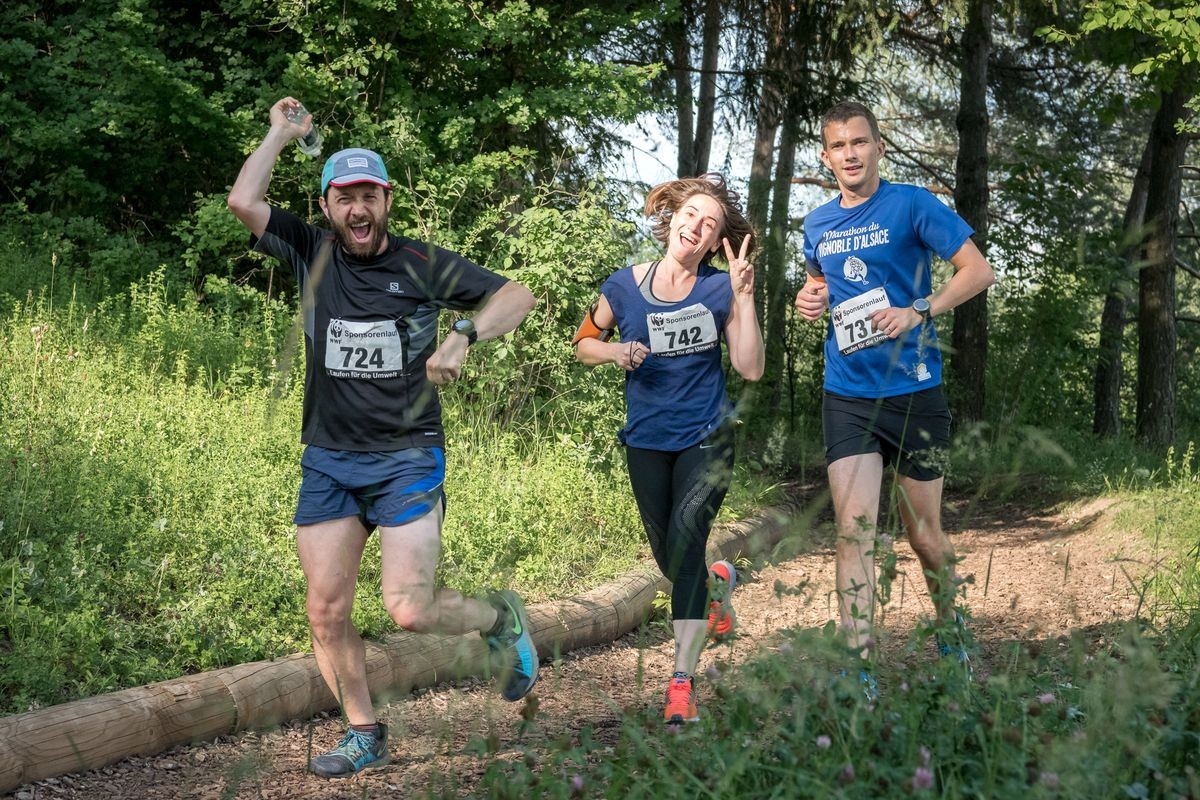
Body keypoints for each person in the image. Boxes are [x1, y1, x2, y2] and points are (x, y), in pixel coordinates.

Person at [227, 98, 540, 778]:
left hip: (406, 458)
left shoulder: (423, 262)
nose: (358, 209)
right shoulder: (309, 249)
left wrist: (464, 334)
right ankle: (365, 731)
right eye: (345, 198)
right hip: (331, 461)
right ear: (329, 205)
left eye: (370, 195)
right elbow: (243, 199)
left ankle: (496, 618)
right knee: (325, 609)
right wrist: (282, 133)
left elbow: (518, 294)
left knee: (408, 608)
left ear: (388, 199)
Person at [793, 101, 995, 690]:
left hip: (915, 393)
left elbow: (976, 271)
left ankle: (951, 629)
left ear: (879, 147)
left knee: (923, 534)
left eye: (860, 142)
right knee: (853, 531)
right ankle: (859, 670)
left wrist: (918, 310)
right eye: (838, 146)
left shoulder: (912, 204)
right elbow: (819, 287)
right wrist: (809, 300)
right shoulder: (817, 224)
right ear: (826, 157)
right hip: (848, 395)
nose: (850, 154)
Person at [574, 173, 764, 727]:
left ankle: (680, 682)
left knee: (686, 537)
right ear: (672, 218)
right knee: (669, 556)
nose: (697, 227)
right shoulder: (623, 286)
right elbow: (584, 342)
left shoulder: (720, 289)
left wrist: (745, 297)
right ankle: (716, 587)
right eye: (691, 216)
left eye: (710, 225)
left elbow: (749, 366)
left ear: (714, 242)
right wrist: (616, 355)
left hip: (709, 436)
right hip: (647, 441)